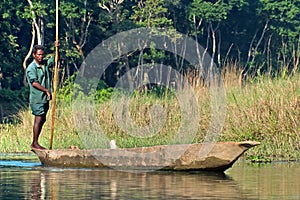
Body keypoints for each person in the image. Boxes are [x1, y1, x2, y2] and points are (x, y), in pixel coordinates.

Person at [26, 44, 57, 150]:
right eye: (39, 55)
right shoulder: (31, 68)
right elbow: (34, 83)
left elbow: (55, 60)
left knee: (43, 118)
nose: (41, 57)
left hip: (45, 98)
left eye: (42, 55)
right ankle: (34, 143)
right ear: (34, 55)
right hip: (37, 98)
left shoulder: (45, 64)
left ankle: (36, 142)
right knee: (38, 119)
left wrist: (56, 49)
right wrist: (46, 90)